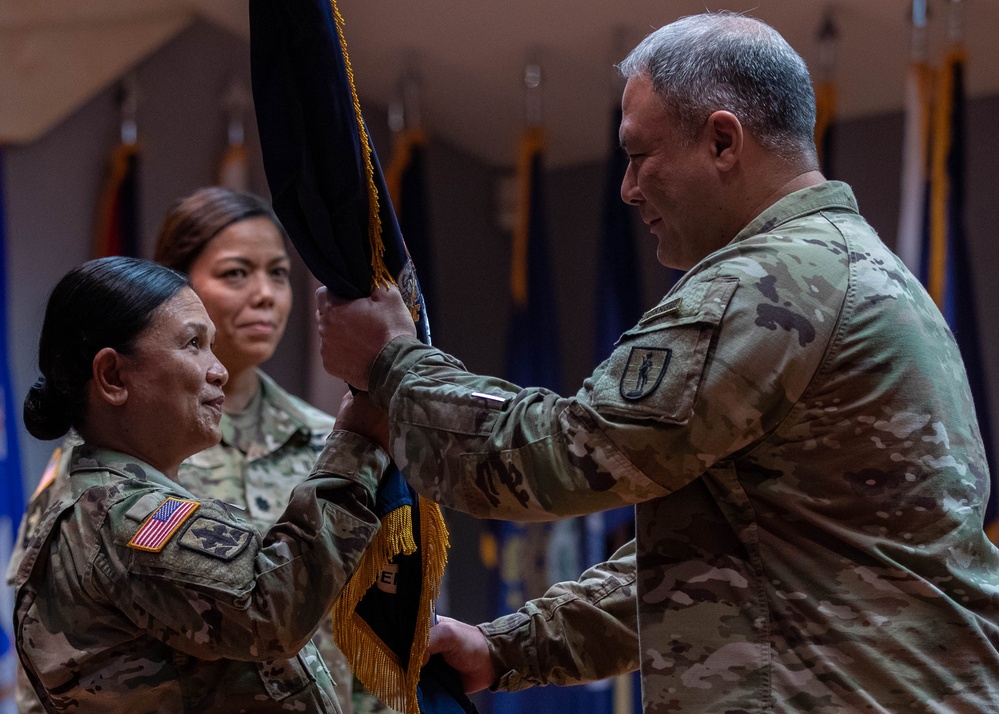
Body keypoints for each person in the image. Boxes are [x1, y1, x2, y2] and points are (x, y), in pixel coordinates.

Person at [313, 11, 999, 713]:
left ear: (722, 140)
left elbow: (563, 457)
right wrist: (510, 647)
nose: (627, 188)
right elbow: (717, 566)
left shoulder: (771, 282)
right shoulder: (855, 267)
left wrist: (393, 366)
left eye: (638, 156)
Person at [7, 187, 379, 714]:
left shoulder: (129, 480)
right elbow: (272, 606)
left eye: (278, 272)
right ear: (112, 375)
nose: (218, 368)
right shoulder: (119, 507)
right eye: (191, 344)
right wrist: (360, 441)